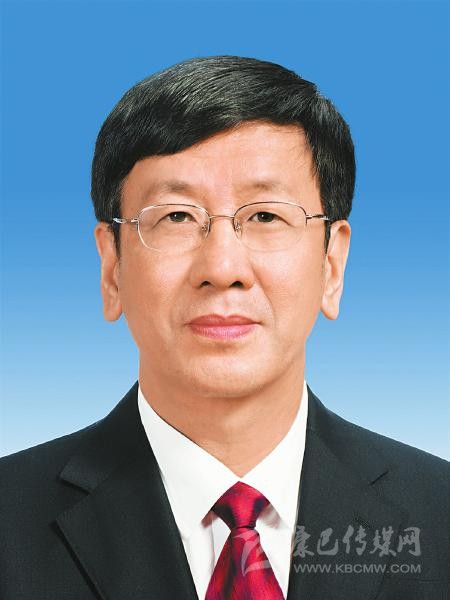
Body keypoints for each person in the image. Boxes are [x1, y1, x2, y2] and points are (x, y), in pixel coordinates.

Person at [0, 56, 448, 600]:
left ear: (332, 265)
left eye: (265, 216)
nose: (222, 268)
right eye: (176, 217)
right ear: (112, 267)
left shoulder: (438, 514)